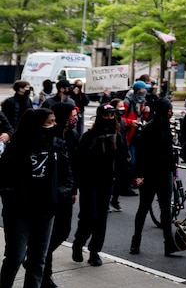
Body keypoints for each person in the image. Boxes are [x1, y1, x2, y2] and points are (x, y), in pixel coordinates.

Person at [0, 108, 74, 288]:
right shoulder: (16, 146)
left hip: (46, 211)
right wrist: (13, 196)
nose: (54, 125)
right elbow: (3, 178)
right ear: (35, 124)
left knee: (38, 259)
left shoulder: (56, 144)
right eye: (50, 122)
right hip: (19, 212)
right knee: (15, 257)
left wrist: (58, 193)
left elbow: (67, 176)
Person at [71, 104, 125, 267]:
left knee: (101, 218)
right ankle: (78, 244)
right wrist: (75, 185)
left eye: (111, 116)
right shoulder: (88, 136)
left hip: (106, 182)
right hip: (89, 181)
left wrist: (127, 177)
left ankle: (94, 251)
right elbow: (78, 161)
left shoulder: (117, 135)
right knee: (89, 216)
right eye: (105, 115)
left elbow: (122, 157)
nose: (109, 119)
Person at [130, 98, 179, 256]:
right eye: (169, 109)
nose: (171, 112)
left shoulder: (164, 126)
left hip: (164, 173)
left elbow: (169, 152)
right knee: (145, 207)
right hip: (151, 174)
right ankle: (136, 241)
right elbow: (141, 153)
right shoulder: (150, 129)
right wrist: (139, 174)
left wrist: (173, 171)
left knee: (165, 209)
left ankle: (168, 243)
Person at [43, 103, 80, 288]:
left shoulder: (72, 135)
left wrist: (73, 189)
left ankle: (39, 257)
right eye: (72, 114)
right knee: (48, 233)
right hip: (50, 192)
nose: (75, 118)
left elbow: (74, 165)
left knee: (63, 231)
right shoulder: (51, 135)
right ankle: (44, 272)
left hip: (66, 192)